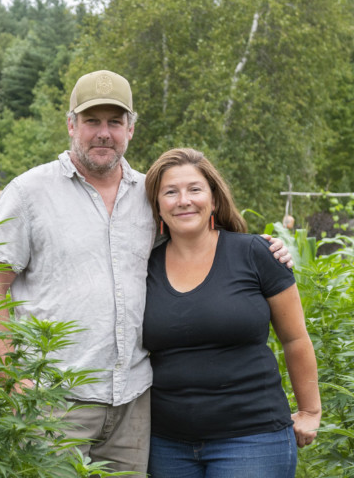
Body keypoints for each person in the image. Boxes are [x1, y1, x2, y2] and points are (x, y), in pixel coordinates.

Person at [0, 71, 293, 476]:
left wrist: (266, 249)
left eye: (114, 121)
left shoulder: (151, 195)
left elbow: (201, 241)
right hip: (53, 400)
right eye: (92, 121)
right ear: (71, 124)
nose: (103, 133)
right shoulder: (28, 193)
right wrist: (13, 378)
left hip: (135, 403)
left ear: (131, 128)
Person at [143, 148, 320, 478]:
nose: (183, 200)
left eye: (195, 189)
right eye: (170, 191)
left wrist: (310, 411)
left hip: (252, 440)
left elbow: (295, 338)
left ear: (213, 198)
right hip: (166, 445)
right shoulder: (142, 267)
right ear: (157, 204)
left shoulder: (256, 254)